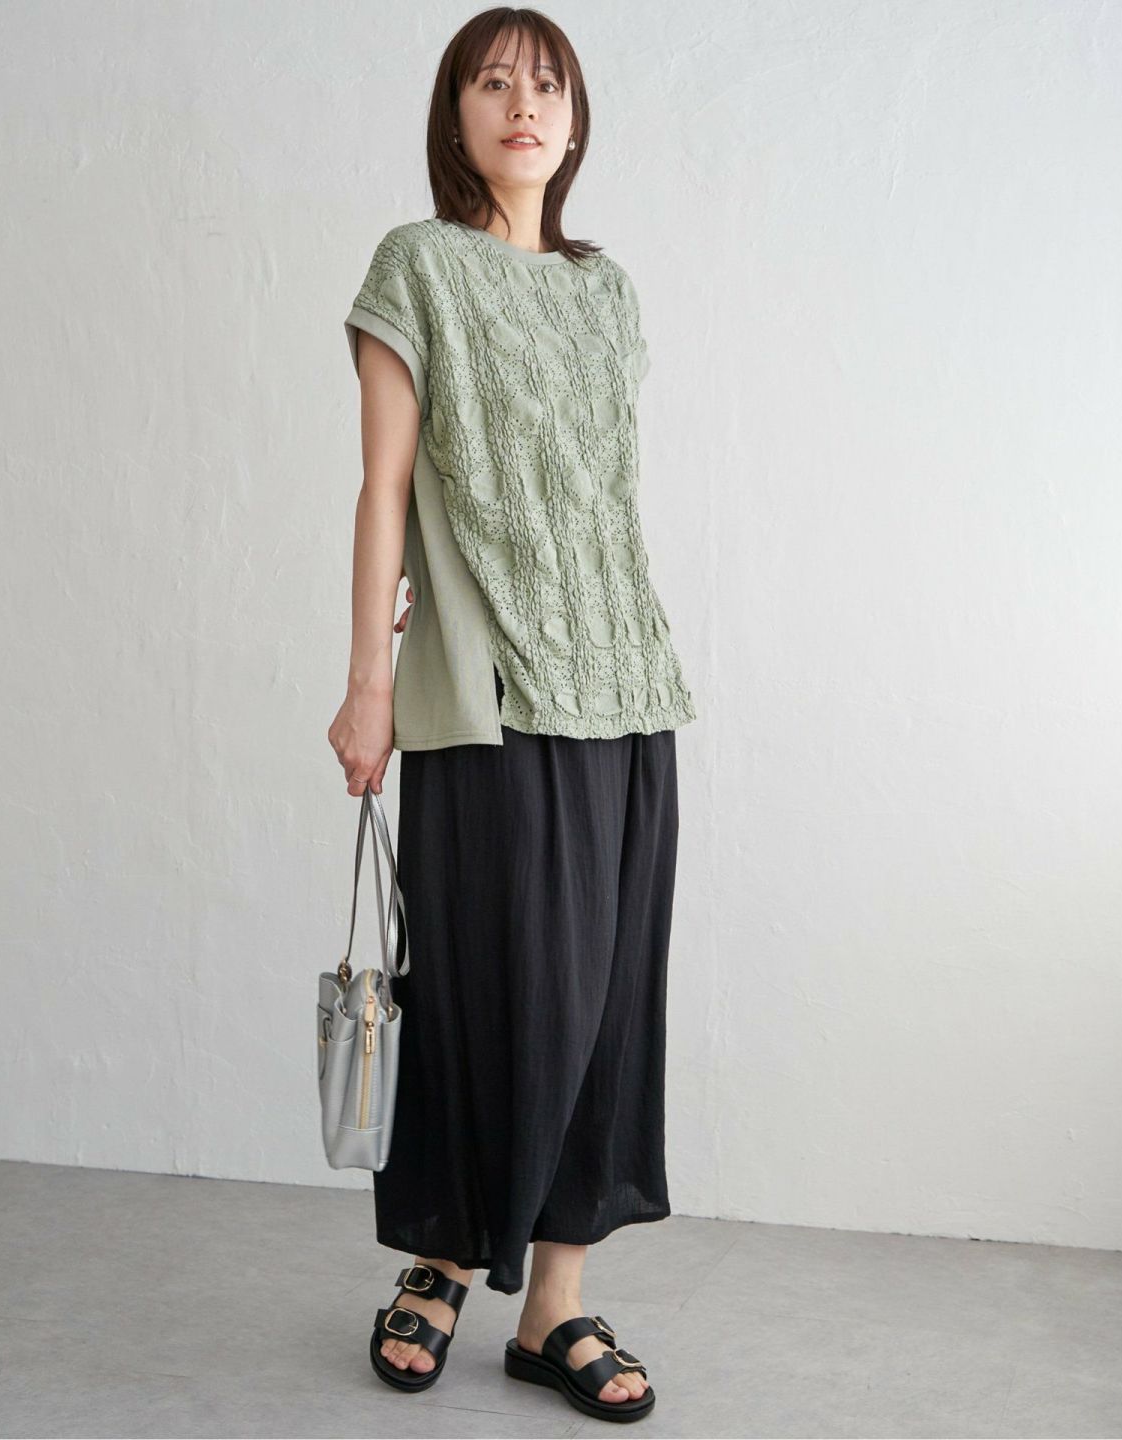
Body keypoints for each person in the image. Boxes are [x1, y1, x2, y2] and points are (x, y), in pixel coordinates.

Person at [326, 7, 697, 1424]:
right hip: (488, 693)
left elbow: (599, 495)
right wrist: (369, 683)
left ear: (576, 120)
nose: (523, 106)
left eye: (547, 86)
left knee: (605, 1004)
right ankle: (436, 1263)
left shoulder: (608, 293)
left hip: (627, 684)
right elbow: (385, 485)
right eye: (493, 84)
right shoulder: (416, 265)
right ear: (456, 115)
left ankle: (556, 1304)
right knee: (484, 989)